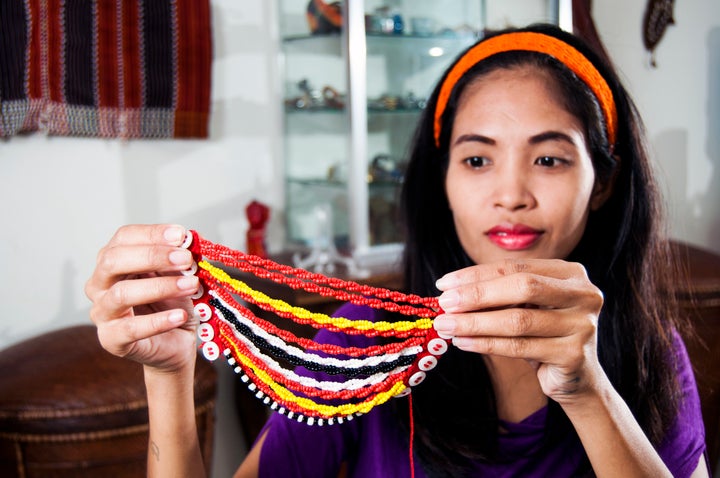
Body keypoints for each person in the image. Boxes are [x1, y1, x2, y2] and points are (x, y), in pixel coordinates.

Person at [85, 24, 708, 477]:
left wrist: (587, 390)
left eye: (548, 159)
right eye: (477, 159)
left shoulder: (652, 353)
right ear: (442, 181)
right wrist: (168, 376)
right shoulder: (365, 342)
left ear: (601, 184)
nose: (510, 194)